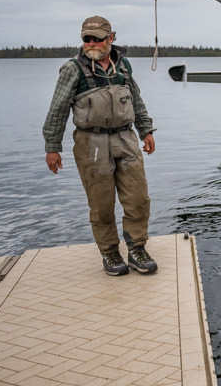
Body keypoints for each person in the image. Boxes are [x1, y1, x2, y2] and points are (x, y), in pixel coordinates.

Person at [43, 16, 158, 276]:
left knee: (138, 197)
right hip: (91, 141)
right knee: (101, 201)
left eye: (97, 38)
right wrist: (52, 146)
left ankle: (137, 248)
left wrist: (146, 130)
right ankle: (109, 252)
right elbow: (58, 109)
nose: (91, 43)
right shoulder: (72, 69)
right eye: (87, 39)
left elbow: (136, 99)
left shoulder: (123, 64)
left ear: (111, 38)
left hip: (125, 138)